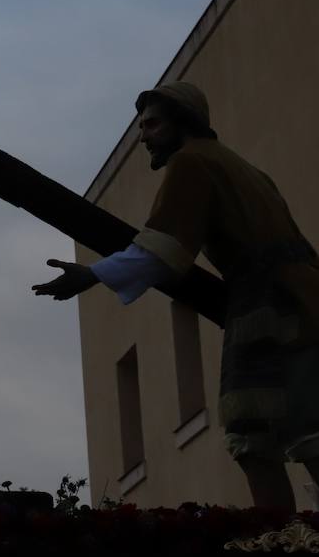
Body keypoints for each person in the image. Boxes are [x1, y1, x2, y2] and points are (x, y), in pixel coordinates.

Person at [34, 82, 319, 511]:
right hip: (293, 301)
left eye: (151, 125)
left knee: (274, 428)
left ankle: (278, 538)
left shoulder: (192, 162)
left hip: (272, 306)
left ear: (182, 121)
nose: (143, 137)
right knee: (266, 426)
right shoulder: (242, 167)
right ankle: (282, 538)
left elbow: (162, 247)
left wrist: (91, 274)